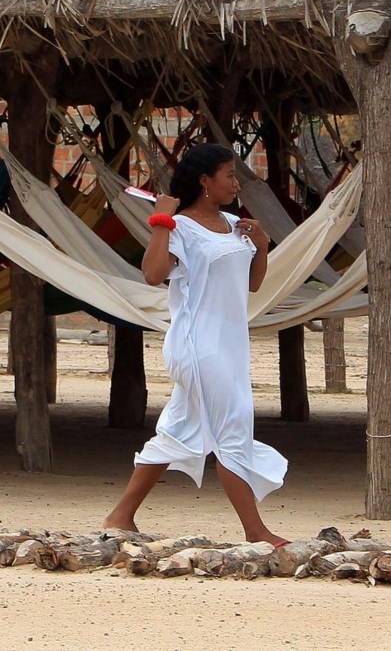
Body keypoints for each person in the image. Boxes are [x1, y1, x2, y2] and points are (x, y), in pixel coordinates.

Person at [102, 143, 289, 546]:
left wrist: (262, 248)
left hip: (230, 345)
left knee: (180, 429)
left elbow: (252, 285)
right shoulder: (180, 227)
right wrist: (162, 220)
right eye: (229, 176)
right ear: (205, 181)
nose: (236, 184)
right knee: (232, 428)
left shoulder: (232, 223)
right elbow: (153, 274)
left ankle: (120, 516)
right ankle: (256, 531)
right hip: (198, 345)